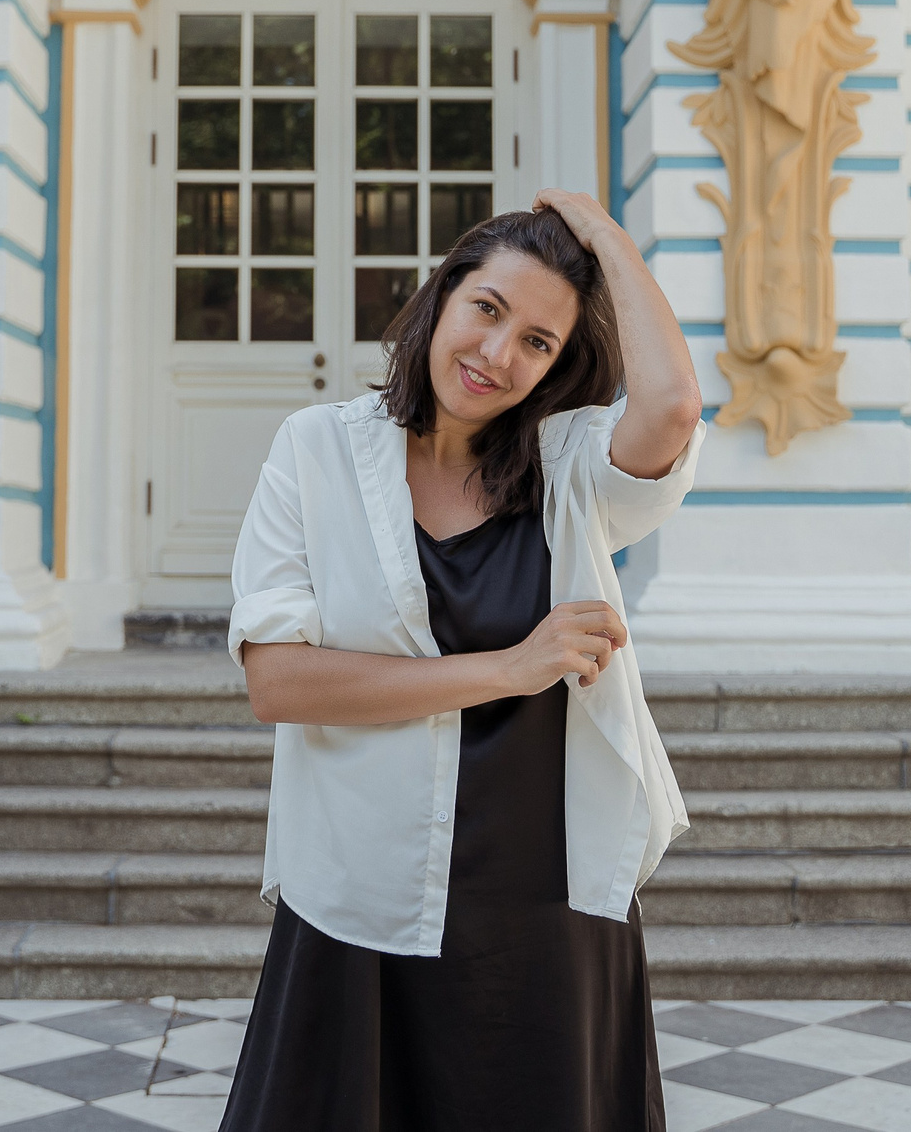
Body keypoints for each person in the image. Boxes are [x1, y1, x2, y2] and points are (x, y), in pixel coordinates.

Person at [221, 191, 706, 1132]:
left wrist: (605, 239)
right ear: (442, 297)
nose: (497, 354)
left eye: (538, 341)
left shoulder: (569, 462)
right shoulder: (315, 450)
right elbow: (278, 679)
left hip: (546, 896)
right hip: (365, 884)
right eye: (487, 310)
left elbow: (673, 405)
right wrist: (510, 667)